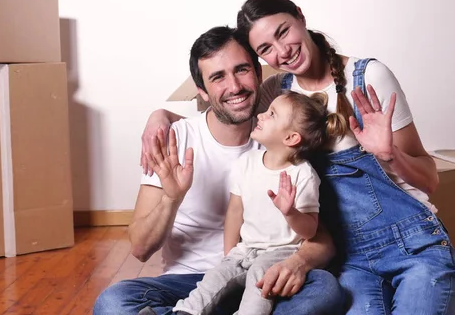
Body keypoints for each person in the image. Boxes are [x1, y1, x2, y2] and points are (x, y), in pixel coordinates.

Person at [143, 0, 455, 314]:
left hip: (411, 244)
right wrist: (163, 117)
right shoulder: (277, 92)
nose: (282, 52)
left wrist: (390, 154)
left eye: (283, 32)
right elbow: (229, 113)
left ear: (300, 16)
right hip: (350, 261)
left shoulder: (368, 77)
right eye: (265, 49)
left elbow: (429, 179)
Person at [93, 26, 344, 315]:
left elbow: (321, 239)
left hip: (264, 279)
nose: (234, 86)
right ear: (201, 91)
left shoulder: (281, 139)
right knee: (113, 303)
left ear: (258, 75)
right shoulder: (176, 139)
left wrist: (296, 264)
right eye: (217, 77)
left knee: (325, 289)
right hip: (190, 285)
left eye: (241, 70)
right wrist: (171, 199)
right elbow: (139, 248)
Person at [163, 91, 346, 315]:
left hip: (282, 251)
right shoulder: (246, 163)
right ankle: (184, 312)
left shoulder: (303, 174)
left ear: (290, 138)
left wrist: (290, 212)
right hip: (246, 249)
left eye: (271, 114)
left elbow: (310, 230)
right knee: (216, 275)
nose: (260, 115)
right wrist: (229, 255)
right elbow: (235, 212)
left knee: (260, 273)